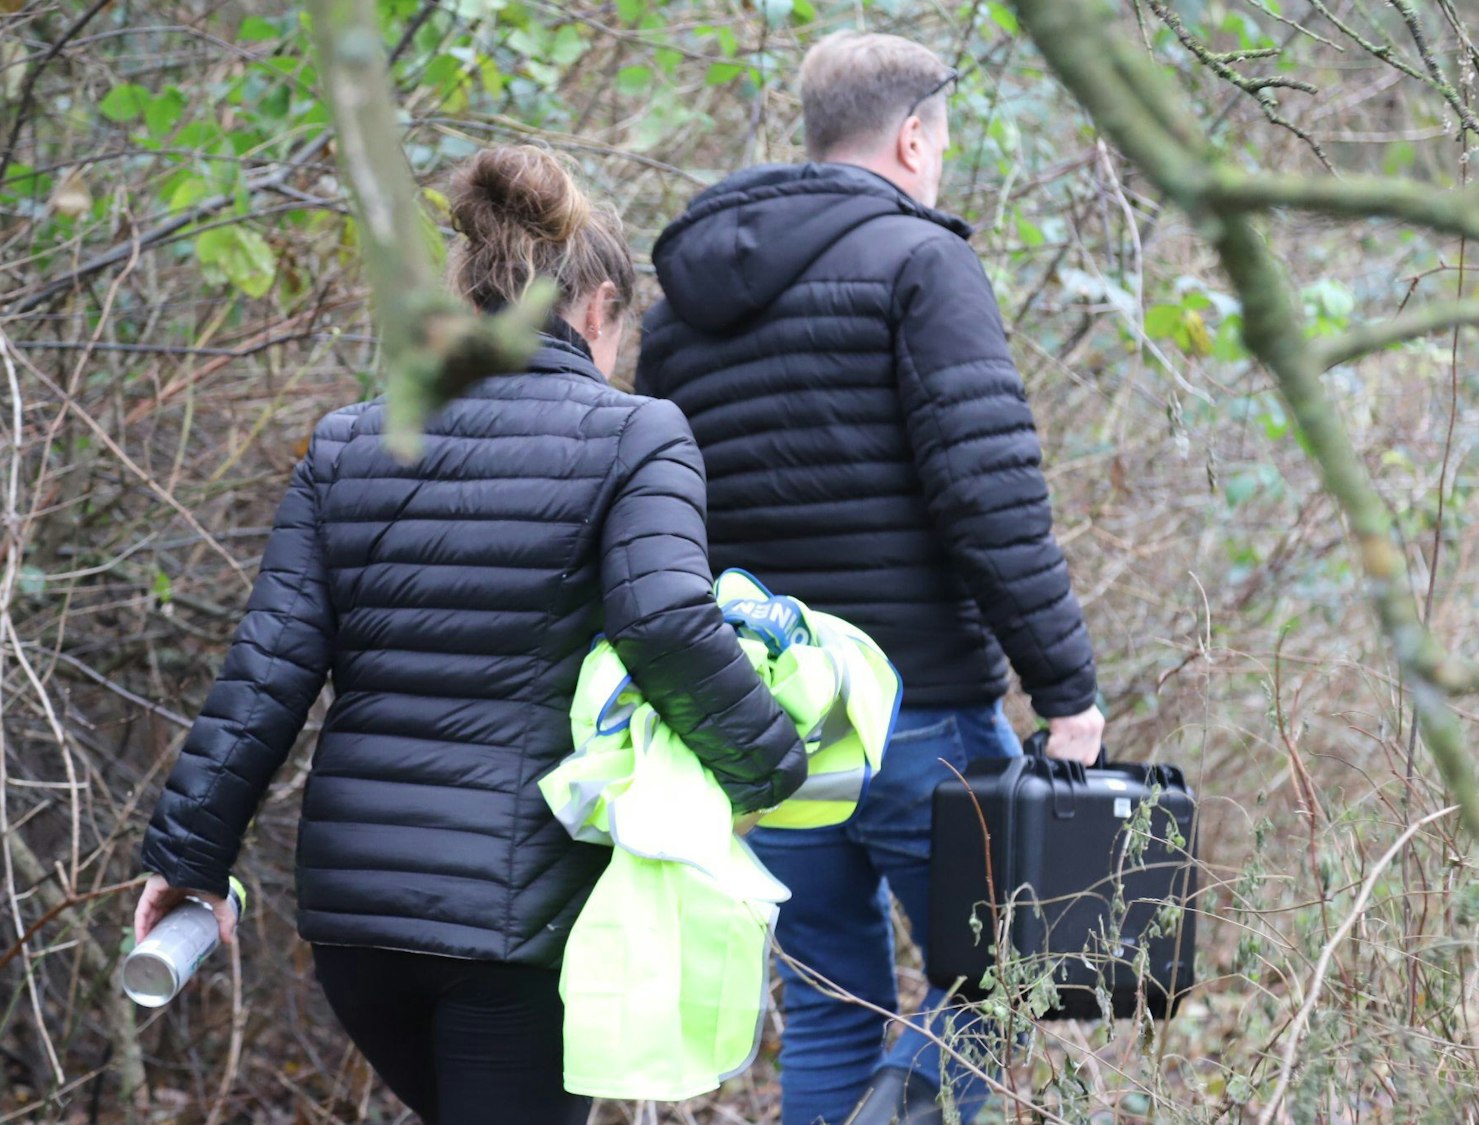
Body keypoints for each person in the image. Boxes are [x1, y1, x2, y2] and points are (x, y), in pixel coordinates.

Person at [133, 145, 808, 1125]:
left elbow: (266, 674)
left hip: (358, 924)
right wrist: (769, 766)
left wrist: (189, 857)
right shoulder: (636, 435)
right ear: (599, 305)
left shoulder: (350, 440)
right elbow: (664, 621)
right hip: (520, 924)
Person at [635, 30, 1106, 1125]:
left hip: (765, 726)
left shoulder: (680, 312)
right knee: (1006, 966)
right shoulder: (920, 263)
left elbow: (662, 531)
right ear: (909, 138)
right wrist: (1066, 689)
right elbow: (988, 493)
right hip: (919, 713)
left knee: (833, 1004)